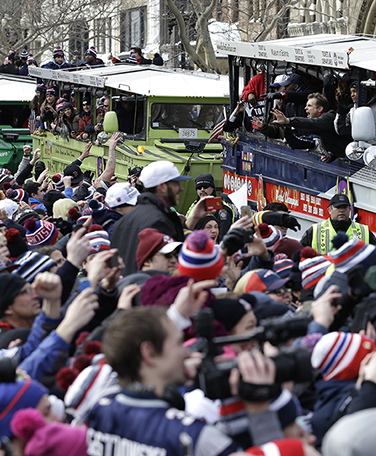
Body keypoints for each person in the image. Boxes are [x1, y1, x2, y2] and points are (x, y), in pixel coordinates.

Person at [87, 306, 284, 456]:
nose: (186, 352)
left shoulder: (99, 408)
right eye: (179, 343)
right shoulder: (194, 436)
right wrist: (260, 408)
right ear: (149, 353)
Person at [111, 161, 192, 275]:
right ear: (162, 187)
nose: (181, 188)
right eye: (176, 184)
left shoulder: (122, 222)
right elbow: (170, 267)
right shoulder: (161, 220)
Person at [271, 92, 352, 163]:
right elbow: (296, 144)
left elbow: (311, 123)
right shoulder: (317, 131)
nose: (305, 108)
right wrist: (286, 128)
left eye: (309, 105)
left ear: (320, 109)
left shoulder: (328, 118)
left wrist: (288, 121)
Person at [300, 193, 376, 254]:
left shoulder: (363, 231)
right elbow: (300, 255)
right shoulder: (315, 231)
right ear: (329, 210)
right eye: (338, 207)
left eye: (344, 207)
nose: (341, 210)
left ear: (349, 210)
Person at [186, 173, 235, 240]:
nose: (202, 190)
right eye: (199, 187)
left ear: (212, 188)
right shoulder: (195, 205)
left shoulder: (222, 208)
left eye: (205, 187)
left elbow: (223, 235)